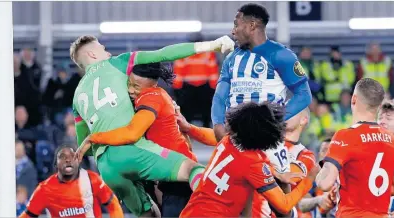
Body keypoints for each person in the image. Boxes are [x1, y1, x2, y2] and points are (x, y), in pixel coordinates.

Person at [70, 35, 234, 217]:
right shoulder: (118, 63)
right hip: (132, 149)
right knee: (192, 169)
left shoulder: (77, 96)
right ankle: (219, 204)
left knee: (147, 213)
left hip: (106, 168)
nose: (106, 50)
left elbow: (84, 144)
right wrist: (212, 45)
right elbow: (164, 54)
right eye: (102, 47)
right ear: (93, 54)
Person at [77, 62, 197, 217]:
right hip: (158, 171)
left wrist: (93, 138)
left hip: (176, 173)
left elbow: (132, 133)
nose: (131, 90)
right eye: (130, 84)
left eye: (137, 87)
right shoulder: (139, 98)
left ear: (152, 85)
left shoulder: (152, 98)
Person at [180, 101, 319, 217]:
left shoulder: (228, 141)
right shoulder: (254, 162)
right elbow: (284, 205)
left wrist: (275, 173)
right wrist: (310, 179)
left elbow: (240, 168)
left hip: (191, 211)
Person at [212, 3, 312, 141]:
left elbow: (304, 95)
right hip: (234, 137)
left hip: (267, 140)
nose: (233, 31)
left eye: (236, 25)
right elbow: (219, 97)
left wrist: (273, 121)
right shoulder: (231, 58)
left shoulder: (281, 55)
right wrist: (217, 124)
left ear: (252, 25)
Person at [316, 78, 394, 217]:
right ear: (379, 105)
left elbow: (325, 184)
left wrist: (320, 175)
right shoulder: (393, 140)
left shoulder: (345, 136)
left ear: (354, 99)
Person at [18, 145, 123, 218]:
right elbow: (27, 215)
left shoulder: (93, 180)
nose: (68, 160)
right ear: (56, 164)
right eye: (63, 157)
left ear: (78, 161)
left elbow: (113, 204)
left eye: (72, 156)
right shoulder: (44, 189)